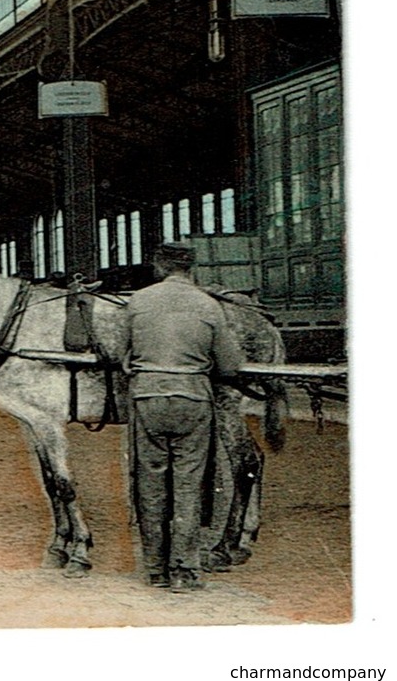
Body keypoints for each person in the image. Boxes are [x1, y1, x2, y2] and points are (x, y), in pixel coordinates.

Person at [123, 241, 243, 593]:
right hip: (192, 399)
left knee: (150, 483)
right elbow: (230, 365)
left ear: (160, 267)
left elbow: (123, 356)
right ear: (191, 269)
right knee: (189, 484)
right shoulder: (208, 304)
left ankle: (156, 570)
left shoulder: (138, 301)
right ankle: (185, 571)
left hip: (147, 398)